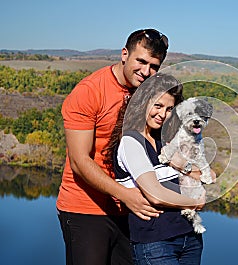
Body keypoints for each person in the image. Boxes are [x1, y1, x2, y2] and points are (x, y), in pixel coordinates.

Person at [57, 28, 171, 265]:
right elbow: (79, 162)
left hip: (130, 209)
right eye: (140, 61)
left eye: (153, 66)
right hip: (86, 209)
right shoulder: (90, 91)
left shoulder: (149, 93)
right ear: (124, 54)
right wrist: (125, 195)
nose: (146, 71)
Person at [102, 73, 205, 265]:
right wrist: (193, 203)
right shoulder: (131, 142)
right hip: (156, 243)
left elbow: (201, 174)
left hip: (189, 238)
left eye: (169, 109)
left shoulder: (164, 140)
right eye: (157, 106)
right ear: (142, 103)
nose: (162, 114)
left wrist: (188, 167)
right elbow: (155, 194)